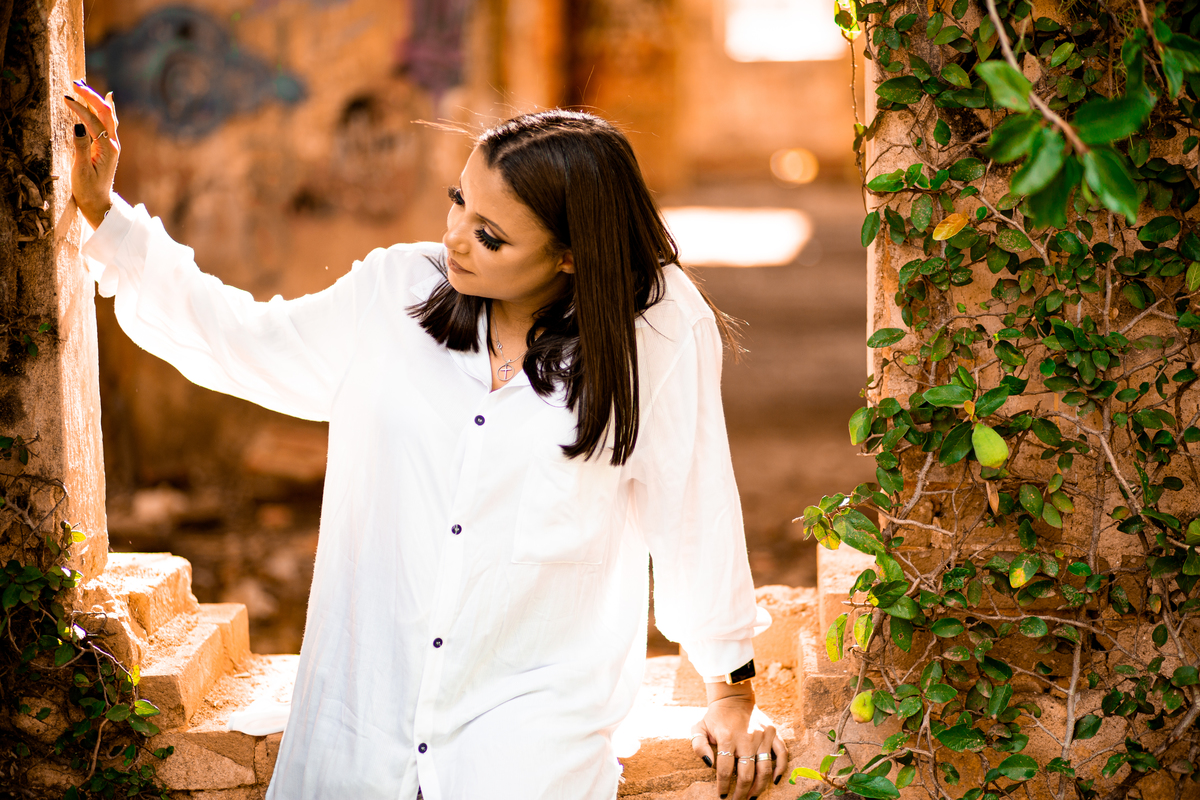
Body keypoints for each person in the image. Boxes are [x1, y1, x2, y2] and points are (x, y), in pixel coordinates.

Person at [65, 83, 789, 800]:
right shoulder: (395, 292)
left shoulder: (654, 335)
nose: (453, 238)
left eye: (490, 235)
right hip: (358, 730)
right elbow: (243, 341)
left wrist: (731, 692)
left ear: (571, 256)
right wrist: (107, 216)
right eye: (458, 201)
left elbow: (693, 509)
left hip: (527, 748)